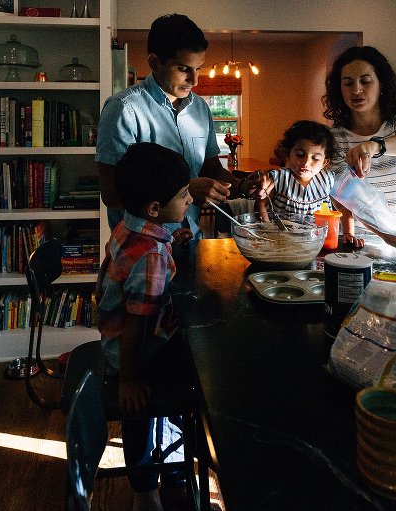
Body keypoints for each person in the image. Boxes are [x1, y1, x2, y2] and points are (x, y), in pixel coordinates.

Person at [95, 13, 258, 242]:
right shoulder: (123, 109)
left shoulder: (200, 108)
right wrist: (186, 189)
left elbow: (209, 168)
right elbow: (111, 193)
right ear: (154, 62)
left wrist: (242, 186)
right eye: (184, 69)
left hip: (191, 243)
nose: (195, 80)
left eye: (199, 68)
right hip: (143, 251)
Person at [95, 142, 193, 511]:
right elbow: (138, 323)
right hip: (135, 353)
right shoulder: (151, 255)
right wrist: (129, 379)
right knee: (191, 379)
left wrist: (170, 240)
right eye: (183, 196)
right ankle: (154, 487)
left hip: (119, 340)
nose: (188, 201)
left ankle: (163, 479)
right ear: (155, 208)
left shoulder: (132, 227)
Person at [323, 45, 396, 254]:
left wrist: (376, 146)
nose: (356, 90)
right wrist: (388, 237)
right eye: (348, 83)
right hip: (359, 243)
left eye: (365, 81)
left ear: (381, 83)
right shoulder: (335, 138)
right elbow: (349, 197)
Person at [254, 120, 363, 246]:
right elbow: (260, 204)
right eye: (300, 155)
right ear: (288, 154)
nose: (306, 163)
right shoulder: (279, 178)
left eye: (315, 158)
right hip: (282, 242)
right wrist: (267, 231)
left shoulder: (327, 180)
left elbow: (343, 207)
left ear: (324, 163)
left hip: (316, 243)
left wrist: (348, 233)